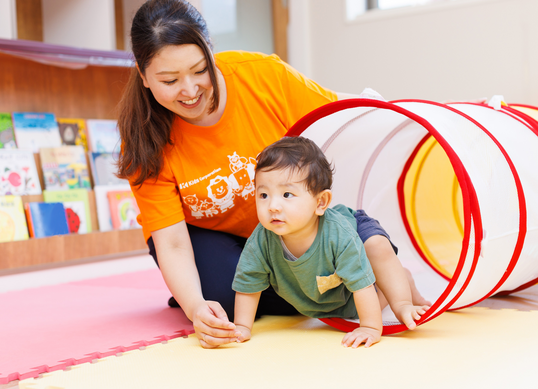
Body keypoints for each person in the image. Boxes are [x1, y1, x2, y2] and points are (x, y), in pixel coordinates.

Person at [117, 0, 392, 349]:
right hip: (201, 235)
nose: (189, 90)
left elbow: (338, 113)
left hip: (278, 229)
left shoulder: (261, 75)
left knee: (374, 252)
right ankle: (206, 286)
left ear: (211, 53)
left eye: (200, 70)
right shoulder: (144, 137)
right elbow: (170, 242)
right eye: (169, 80)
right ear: (143, 76)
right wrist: (195, 306)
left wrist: (407, 111)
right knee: (229, 300)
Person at [232, 137, 431, 348]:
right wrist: (242, 327)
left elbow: (360, 283)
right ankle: (398, 280)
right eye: (263, 195)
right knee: (355, 305)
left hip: (355, 229)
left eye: (287, 194)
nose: (273, 206)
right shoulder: (261, 239)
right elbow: (249, 283)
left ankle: (402, 300)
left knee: (376, 248)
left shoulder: (339, 236)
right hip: (334, 287)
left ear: (320, 202)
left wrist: (371, 327)